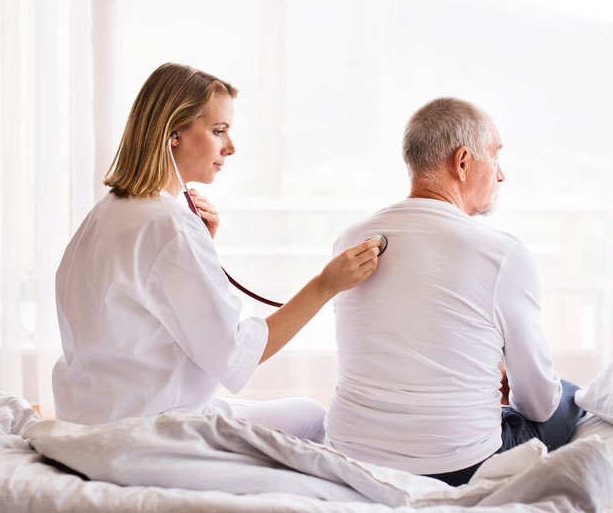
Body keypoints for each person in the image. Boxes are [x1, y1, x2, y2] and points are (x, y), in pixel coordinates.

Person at [52, 63, 381, 441]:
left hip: (90, 418)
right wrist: (326, 284)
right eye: (218, 131)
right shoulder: (168, 226)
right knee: (310, 419)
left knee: (298, 414)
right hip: (144, 431)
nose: (231, 147)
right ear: (172, 132)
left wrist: (200, 246)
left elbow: (151, 308)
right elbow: (236, 356)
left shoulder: (107, 212)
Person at [324, 97, 583, 485]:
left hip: (350, 454)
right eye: (494, 157)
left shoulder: (349, 240)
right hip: (455, 466)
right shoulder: (502, 254)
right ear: (462, 163)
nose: (501, 175)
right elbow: (538, 404)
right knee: (568, 397)